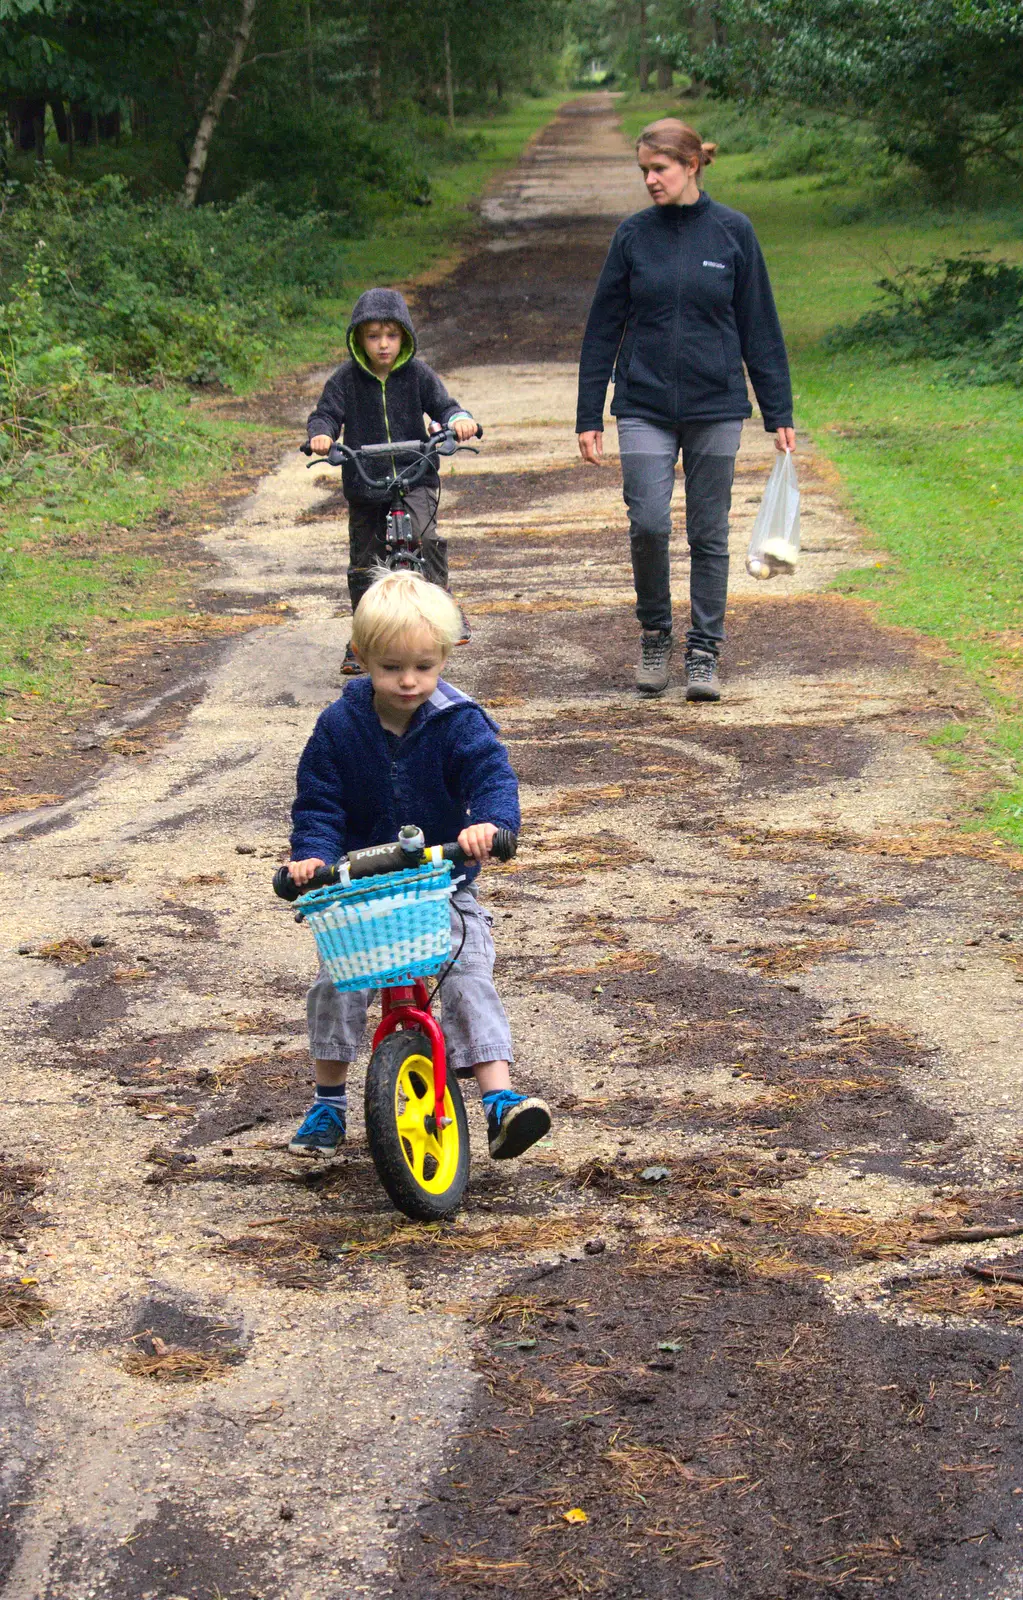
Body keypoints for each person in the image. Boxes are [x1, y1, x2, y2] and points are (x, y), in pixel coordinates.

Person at [283, 569, 552, 1162]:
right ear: (360, 659)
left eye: (424, 668)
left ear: (446, 658)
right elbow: (320, 802)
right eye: (391, 668)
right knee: (337, 981)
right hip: (358, 892)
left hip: (440, 882)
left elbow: (491, 777)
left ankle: (499, 1100)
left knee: (467, 969)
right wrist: (312, 858)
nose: (408, 681)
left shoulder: (460, 722)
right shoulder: (338, 726)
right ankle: (328, 1102)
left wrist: (489, 825)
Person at [576, 118, 796, 702]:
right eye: (644, 170)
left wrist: (779, 413)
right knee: (648, 521)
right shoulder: (632, 236)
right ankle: (655, 633)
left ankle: (704, 649)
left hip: (716, 404)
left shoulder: (733, 233)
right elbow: (602, 329)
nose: (650, 179)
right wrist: (588, 415)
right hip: (644, 402)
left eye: (660, 169)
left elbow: (760, 326)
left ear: (691, 165)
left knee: (708, 532)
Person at [307, 287, 478, 676]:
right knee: (365, 564)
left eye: (391, 335)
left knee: (426, 535)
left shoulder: (417, 375)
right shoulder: (346, 379)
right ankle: (361, 640)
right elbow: (325, 415)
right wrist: (322, 435)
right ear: (358, 339)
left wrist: (458, 421)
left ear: (404, 336)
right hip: (366, 480)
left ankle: (443, 604)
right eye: (372, 336)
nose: (383, 345)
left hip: (415, 472)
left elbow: (446, 407)